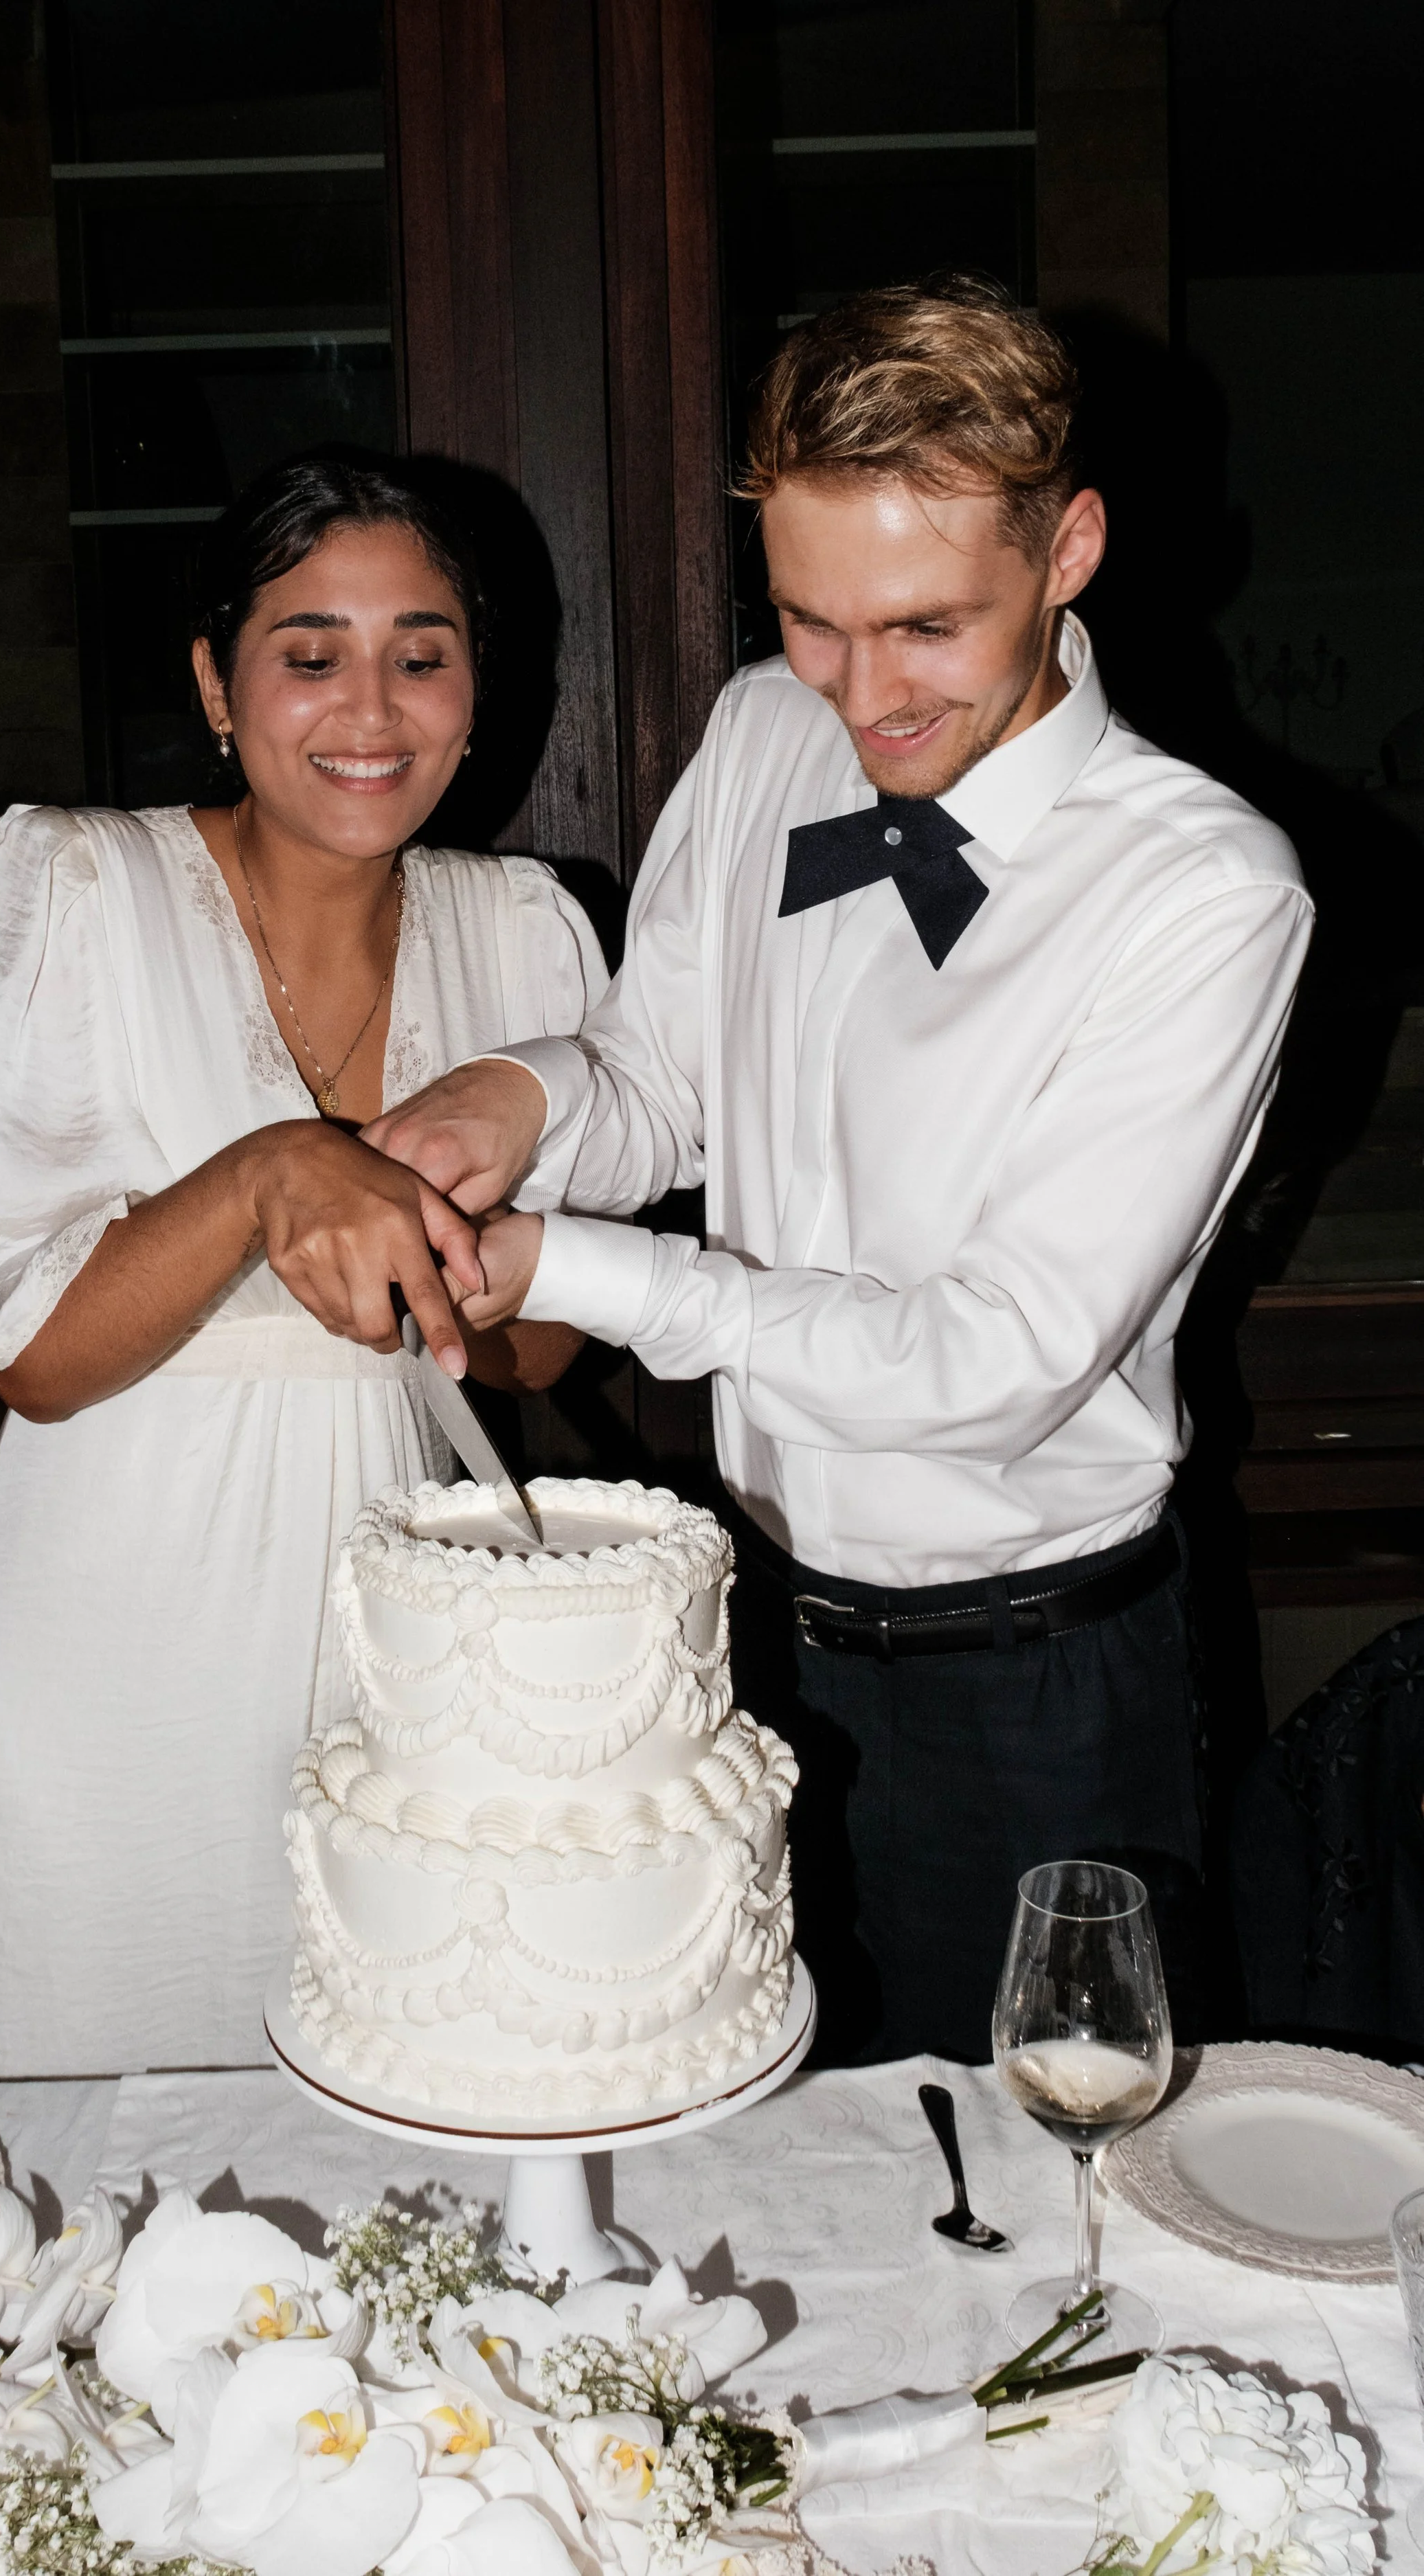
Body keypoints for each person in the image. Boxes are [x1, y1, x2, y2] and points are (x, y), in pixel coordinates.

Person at [313, 278, 1315, 2061]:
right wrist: (516, 1097)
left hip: (1035, 1680)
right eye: (809, 618)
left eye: (924, 626)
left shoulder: (1202, 891)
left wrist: (574, 1270)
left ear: (1068, 546)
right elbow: (664, 1082)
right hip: (755, 1632)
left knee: (1038, 2233)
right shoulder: (773, 725)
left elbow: (988, 1363)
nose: (860, 694)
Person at [0, 456, 604, 2078]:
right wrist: (269, 1176)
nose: (370, 708)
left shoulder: (529, 932)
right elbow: (34, 1362)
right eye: (308, 651)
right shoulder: (77, 887)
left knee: (422, 2123)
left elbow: (535, 1360)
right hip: (111, 1647)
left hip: (420, 1651)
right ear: (216, 681)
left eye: (421, 654)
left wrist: (462, 1276)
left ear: (479, 689)